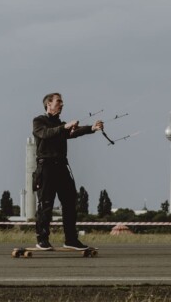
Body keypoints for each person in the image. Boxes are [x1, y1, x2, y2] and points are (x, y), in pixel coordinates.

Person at [32, 92, 103, 250]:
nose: (62, 104)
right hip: (46, 168)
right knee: (46, 204)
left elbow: (74, 132)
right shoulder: (39, 121)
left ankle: (71, 239)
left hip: (61, 167)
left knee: (70, 202)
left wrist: (92, 128)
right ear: (48, 104)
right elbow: (45, 133)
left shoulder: (60, 124)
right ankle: (42, 239)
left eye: (62, 102)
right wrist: (65, 126)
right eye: (59, 101)